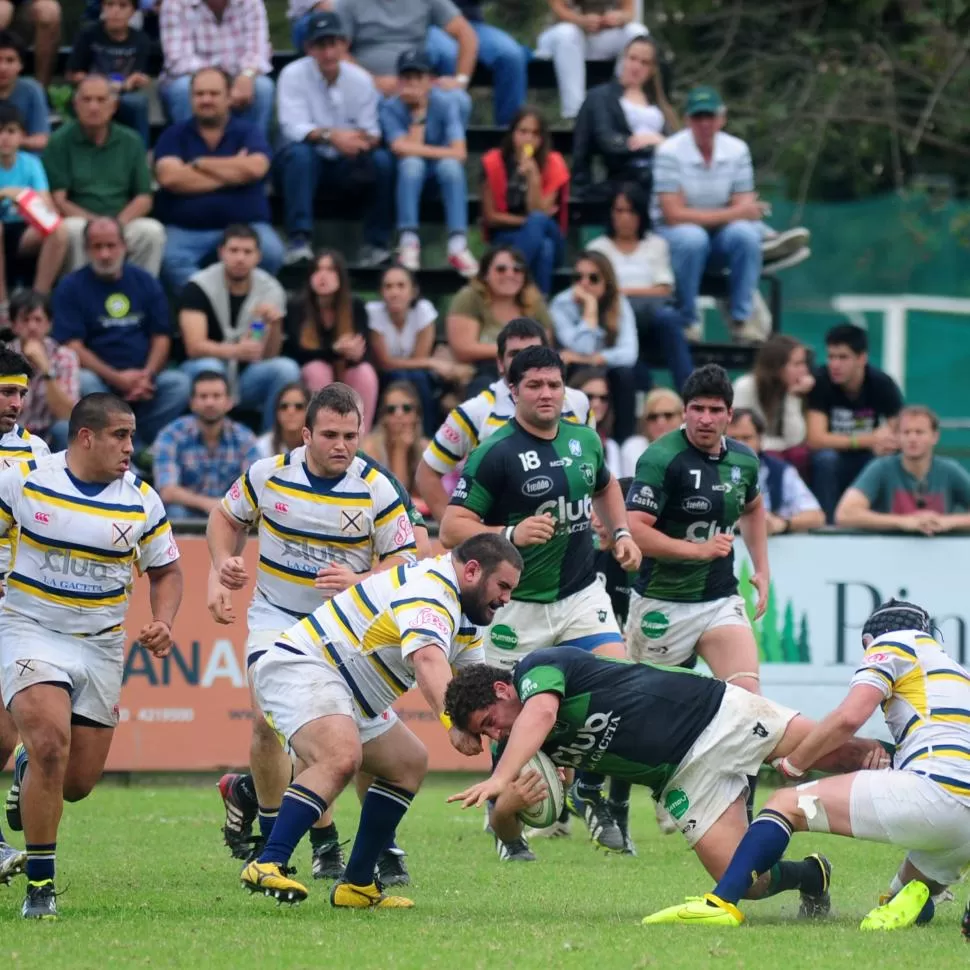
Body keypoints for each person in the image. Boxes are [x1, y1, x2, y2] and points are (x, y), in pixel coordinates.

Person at [444, 648, 885, 921]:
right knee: (747, 881)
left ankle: (925, 773)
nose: (495, 736)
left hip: (713, 715)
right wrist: (508, 802)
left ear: (503, 689)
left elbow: (540, 714)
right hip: (683, 778)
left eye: (490, 723)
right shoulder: (516, 751)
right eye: (486, 735)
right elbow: (506, 830)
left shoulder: (538, 669)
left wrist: (501, 777)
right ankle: (813, 874)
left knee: (842, 753)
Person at [644, 599, 970, 929]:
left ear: (869, 639)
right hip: (963, 827)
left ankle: (720, 903)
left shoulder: (892, 643)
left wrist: (795, 763)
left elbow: (849, 717)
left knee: (786, 803)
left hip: (935, 791)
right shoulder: (958, 674)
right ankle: (911, 897)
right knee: (903, 896)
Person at [207, 383, 419, 885]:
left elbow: (405, 560)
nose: (341, 444)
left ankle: (353, 840)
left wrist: (360, 580)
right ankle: (288, 837)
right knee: (268, 721)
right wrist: (222, 564)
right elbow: (223, 517)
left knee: (353, 736)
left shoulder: (376, 487)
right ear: (306, 434)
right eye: (329, 434)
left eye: (350, 434)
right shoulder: (269, 474)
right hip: (278, 617)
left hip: (348, 628)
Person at [238, 533, 522, 909]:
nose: (506, 598)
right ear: (471, 570)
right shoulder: (432, 590)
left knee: (408, 763)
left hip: (349, 692)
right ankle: (268, 861)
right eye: (502, 586)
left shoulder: (466, 617)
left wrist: (512, 738)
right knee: (341, 756)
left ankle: (356, 884)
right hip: (307, 666)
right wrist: (453, 725)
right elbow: (428, 660)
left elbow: (474, 687)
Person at [439, 345, 642, 857]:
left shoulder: (584, 439)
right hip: (518, 606)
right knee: (507, 719)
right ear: (512, 391)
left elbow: (607, 486)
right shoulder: (496, 452)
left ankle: (594, 793)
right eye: (534, 385)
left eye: (554, 384)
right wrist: (509, 530)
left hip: (579, 594)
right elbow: (450, 527)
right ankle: (508, 828)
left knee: (619, 686)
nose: (547, 394)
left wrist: (620, 531)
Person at [0, 393, 181, 919]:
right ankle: (41, 888)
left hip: (100, 641)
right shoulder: (26, 481)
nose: (131, 446)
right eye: (120, 436)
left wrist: (163, 620)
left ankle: (29, 769)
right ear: (85, 436)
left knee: (76, 783)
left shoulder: (141, 500)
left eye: (132, 435)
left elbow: (167, 570)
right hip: (30, 628)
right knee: (51, 742)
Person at [625, 363, 768, 686]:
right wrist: (697, 550)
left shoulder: (744, 460)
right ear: (684, 412)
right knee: (648, 709)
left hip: (719, 599)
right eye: (697, 408)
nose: (706, 418)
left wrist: (762, 568)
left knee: (747, 698)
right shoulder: (660, 458)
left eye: (715, 410)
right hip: (661, 602)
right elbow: (634, 529)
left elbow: (754, 508)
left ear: (729, 414)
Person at [652, 87, 804, 337]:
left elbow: (742, 209)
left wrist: (727, 215)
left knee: (744, 235)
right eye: (698, 117)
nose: (704, 123)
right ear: (688, 120)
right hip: (676, 237)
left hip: (719, 235)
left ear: (721, 118)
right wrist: (732, 214)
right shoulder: (669, 152)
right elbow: (673, 215)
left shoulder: (737, 150)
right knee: (693, 238)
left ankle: (742, 320)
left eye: (709, 116)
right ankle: (688, 319)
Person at [416, 316, 592, 523]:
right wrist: (460, 531)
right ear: (500, 363)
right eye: (515, 354)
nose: (524, 361)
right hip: (501, 544)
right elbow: (426, 473)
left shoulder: (578, 402)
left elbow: (591, 469)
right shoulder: (473, 412)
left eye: (532, 351)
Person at [51, 217, 190, 448]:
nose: (105, 254)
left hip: (144, 382)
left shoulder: (145, 281)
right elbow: (72, 345)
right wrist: (116, 378)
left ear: (124, 246)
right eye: (97, 247)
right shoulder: (70, 286)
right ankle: (111, 445)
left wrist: (147, 375)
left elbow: (161, 336)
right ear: (86, 250)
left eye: (111, 245)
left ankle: (141, 445)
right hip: (99, 381)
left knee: (179, 383)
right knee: (83, 380)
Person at [274, 10, 393, 269]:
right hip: (308, 161)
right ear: (308, 48)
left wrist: (354, 142)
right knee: (298, 154)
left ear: (344, 44)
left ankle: (377, 244)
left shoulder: (361, 80)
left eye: (332, 44)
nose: (327, 52)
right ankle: (298, 240)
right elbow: (293, 127)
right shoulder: (292, 75)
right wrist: (333, 136)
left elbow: (372, 132)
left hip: (347, 163)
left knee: (383, 161)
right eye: (320, 45)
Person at [153, 67, 284, 293]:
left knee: (272, 252)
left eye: (213, 94)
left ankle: (240, 304)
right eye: (200, 94)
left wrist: (201, 164)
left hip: (247, 226)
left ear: (228, 97)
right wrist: (234, 171)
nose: (206, 100)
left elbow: (256, 169)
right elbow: (170, 178)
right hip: (187, 230)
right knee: (169, 260)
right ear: (191, 97)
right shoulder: (173, 135)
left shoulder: (249, 132)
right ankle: (208, 306)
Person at [178, 224, 297, 433]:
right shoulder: (198, 286)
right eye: (234, 251)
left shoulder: (270, 289)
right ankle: (204, 439)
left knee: (285, 369)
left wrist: (275, 324)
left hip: (246, 377)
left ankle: (271, 443)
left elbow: (268, 355)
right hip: (203, 371)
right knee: (210, 369)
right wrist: (235, 351)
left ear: (258, 256)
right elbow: (194, 347)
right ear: (221, 252)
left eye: (247, 251)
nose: (240, 258)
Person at [43, 74, 164, 276]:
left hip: (122, 222)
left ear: (114, 106)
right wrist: (96, 226)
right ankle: (80, 298)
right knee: (70, 229)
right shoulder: (59, 141)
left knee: (151, 231)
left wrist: (115, 226)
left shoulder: (131, 140)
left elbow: (144, 197)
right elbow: (59, 200)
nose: (93, 107)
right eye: (87, 100)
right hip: (80, 221)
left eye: (101, 100)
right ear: (76, 105)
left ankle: (139, 297)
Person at [587, 182, 693, 392]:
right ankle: (653, 392)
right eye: (619, 210)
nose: (625, 217)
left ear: (641, 214)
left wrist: (618, 291)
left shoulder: (656, 244)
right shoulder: (597, 248)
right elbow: (595, 292)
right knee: (620, 337)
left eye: (631, 211)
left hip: (651, 317)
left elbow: (664, 289)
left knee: (669, 319)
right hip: (614, 319)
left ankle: (692, 391)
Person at [380, 49, 477, 276]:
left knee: (451, 168)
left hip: (439, 172)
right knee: (411, 164)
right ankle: (409, 240)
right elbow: (401, 148)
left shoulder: (446, 103)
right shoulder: (390, 107)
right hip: (406, 177)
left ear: (430, 80)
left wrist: (426, 150)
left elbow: (460, 152)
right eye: (407, 77)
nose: (412, 83)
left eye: (418, 77)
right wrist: (419, 114)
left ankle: (457, 243)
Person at [807, 322, 904, 523]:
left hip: (869, 456)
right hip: (835, 457)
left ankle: (884, 522)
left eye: (843, 357)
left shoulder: (882, 383)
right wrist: (868, 439)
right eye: (831, 356)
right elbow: (816, 439)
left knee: (887, 460)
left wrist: (888, 441)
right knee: (825, 460)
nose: (835, 364)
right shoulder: (821, 382)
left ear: (862, 358)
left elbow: (901, 427)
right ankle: (828, 525)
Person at [333, 0, 477, 124]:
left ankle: (450, 153)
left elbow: (466, 33)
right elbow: (337, 51)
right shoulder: (348, 3)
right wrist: (371, 81)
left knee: (459, 100)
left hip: (418, 82)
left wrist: (461, 80)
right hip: (368, 87)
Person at [835, 405, 970, 534]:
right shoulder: (881, 468)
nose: (912, 438)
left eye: (919, 432)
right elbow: (845, 513)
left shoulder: (949, 470)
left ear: (935, 437)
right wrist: (902, 522)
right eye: (906, 432)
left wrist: (947, 522)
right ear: (897, 437)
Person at [283, 250, 379, 432]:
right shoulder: (297, 306)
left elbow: (365, 353)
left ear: (341, 277)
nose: (323, 276)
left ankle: (359, 439)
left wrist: (354, 353)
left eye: (330, 270)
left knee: (364, 372)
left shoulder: (355, 306)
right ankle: (323, 432)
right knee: (317, 369)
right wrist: (335, 351)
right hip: (312, 374)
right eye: (317, 270)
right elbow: (298, 353)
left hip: (347, 370)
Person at [572, 36, 678, 199]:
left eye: (644, 63)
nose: (636, 67)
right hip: (622, 179)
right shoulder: (601, 97)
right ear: (623, 60)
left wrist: (658, 141)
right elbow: (608, 141)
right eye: (632, 59)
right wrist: (651, 145)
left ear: (652, 69)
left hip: (661, 176)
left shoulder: (659, 103)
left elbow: (676, 146)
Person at [366, 264, 465, 438]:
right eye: (388, 286)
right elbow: (385, 362)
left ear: (413, 291)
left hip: (416, 375)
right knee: (404, 377)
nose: (394, 292)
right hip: (383, 375)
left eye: (401, 286)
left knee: (417, 377)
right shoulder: (374, 313)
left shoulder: (423, 311)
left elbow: (418, 359)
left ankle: (425, 437)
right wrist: (430, 362)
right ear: (381, 292)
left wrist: (423, 362)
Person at [549, 250, 639, 442]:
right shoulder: (561, 304)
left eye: (593, 278)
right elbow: (584, 347)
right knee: (581, 369)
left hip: (606, 370)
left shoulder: (619, 303)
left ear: (606, 281)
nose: (584, 283)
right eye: (578, 277)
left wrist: (592, 358)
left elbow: (629, 353)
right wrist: (590, 308)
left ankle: (624, 443)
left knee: (625, 374)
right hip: (575, 371)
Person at [481, 107, 569, 296]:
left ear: (542, 138)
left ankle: (508, 277)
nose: (528, 139)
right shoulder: (494, 162)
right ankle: (537, 313)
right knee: (544, 249)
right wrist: (526, 222)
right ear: (512, 134)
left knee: (539, 222)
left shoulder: (554, 163)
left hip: (550, 232)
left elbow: (537, 211)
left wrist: (534, 177)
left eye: (535, 134)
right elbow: (491, 217)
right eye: (523, 131)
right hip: (507, 236)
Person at [152, 370, 261, 519]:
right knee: (175, 511)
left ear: (229, 402)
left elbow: (254, 489)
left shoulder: (245, 438)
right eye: (203, 397)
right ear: (192, 403)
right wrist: (207, 504)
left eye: (216, 396)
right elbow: (167, 490)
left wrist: (223, 507)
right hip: (188, 512)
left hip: (230, 514)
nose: (209, 402)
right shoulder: (171, 435)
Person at [446, 246, 553, 395]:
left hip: (531, 371)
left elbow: (546, 345)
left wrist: (515, 354)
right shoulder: (470, 297)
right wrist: (518, 351)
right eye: (501, 269)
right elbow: (463, 349)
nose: (510, 274)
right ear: (485, 274)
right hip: (479, 373)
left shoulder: (535, 300)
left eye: (517, 269)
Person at [158, 0, 274, 136]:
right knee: (183, 88)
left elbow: (258, 52)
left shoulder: (251, 2)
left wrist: (247, 75)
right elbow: (177, 60)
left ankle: (253, 150)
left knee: (263, 88)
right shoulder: (174, 3)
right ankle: (191, 151)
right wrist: (219, 84)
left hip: (238, 75)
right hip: (191, 76)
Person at [0, 102, 67, 314]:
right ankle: (2, 307)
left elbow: (48, 210)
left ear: (22, 135)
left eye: (11, 131)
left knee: (59, 230)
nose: (5, 138)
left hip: (23, 231)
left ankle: (37, 304)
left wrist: (23, 196)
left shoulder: (31, 164)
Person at [535, 0, 649, 121]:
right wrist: (581, 20)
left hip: (600, 37)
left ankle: (622, 106)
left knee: (637, 32)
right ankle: (577, 114)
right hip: (560, 37)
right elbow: (558, 9)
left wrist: (619, 17)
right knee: (568, 33)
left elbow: (629, 12)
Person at [425, 0, 527, 125]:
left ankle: (509, 136)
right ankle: (450, 136)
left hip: (471, 22)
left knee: (512, 56)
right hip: (429, 23)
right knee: (449, 54)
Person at [65, 0, 152, 145]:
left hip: (124, 95)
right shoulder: (88, 34)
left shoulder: (141, 40)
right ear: (102, 8)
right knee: (83, 99)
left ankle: (140, 153)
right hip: (92, 91)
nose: (115, 11)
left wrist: (138, 80)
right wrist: (108, 85)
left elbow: (138, 76)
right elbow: (73, 74)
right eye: (110, 5)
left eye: (123, 6)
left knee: (139, 103)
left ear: (133, 11)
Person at [728, 409, 824, 535]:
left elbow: (817, 516)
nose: (739, 445)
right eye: (732, 439)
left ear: (760, 439)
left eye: (746, 438)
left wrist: (782, 523)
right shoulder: (708, 471)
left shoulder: (782, 471)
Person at [733, 333, 813, 472]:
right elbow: (741, 435)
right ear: (778, 367)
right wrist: (781, 445)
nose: (804, 370)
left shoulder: (795, 389)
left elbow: (795, 440)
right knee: (774, 456)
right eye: (797, 364)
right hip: (751, 454)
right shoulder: (745, 386)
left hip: (776, 451)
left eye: (804, 363)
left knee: (799, 455)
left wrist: (792, 396)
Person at [8, 290, 77, 451]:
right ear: (13, 326)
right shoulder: (4, 355)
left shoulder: (64, 357)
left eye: (38, 320)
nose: (32, 326)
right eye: (25, 320)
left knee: (65, 428)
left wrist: (46, 369)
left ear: (49, 324)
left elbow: (67, 414)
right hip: (10, 431)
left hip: (50, 437)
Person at [360, 381, 428, 497]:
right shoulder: (370, 448)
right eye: (391, 410)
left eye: (406, 408)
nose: (399, 414)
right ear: (383, 418)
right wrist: (400, 450)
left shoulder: (425, 448)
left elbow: (427, 496)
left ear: (417, 415)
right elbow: (395, 498)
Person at [0, 31, 50, 152]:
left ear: (20, 65)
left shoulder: (32, 90)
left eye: (10, 60)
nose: (3, 68)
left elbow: (43, 139)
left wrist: (14, 141)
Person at [618, 387, 683, 479]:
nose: (661, 422)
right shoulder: (634, 447)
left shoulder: (693, 449)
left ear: (682, 417)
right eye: (653, 417)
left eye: (668, 415)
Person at [570, 368, 620, 477]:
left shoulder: (611, 446)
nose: (597, 404)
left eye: (603, 398)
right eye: (589, 397)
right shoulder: (560, 438)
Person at [254, 382, 308, 460]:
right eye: (284, 406)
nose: (291, 412)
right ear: (276, 412)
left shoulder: (317, 446)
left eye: (299, 406)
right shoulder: (262, 447)